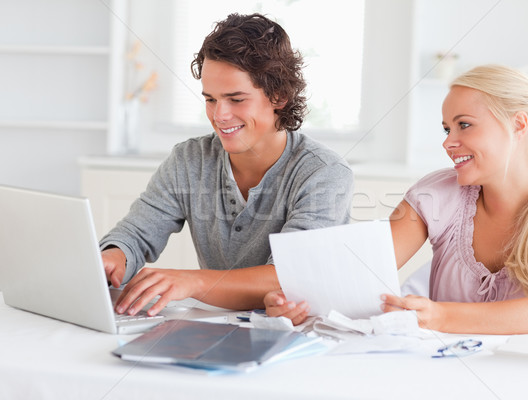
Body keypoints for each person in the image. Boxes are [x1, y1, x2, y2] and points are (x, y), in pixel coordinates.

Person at [266, 64, 528, 333]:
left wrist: (439, 316)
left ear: (518, 125)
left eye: (464, 125)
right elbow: (357, 273)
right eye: (446, 129)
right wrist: (298, 302)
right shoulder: (436, 194)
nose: (448, 142)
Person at [101, 13, 353, 317]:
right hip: (214, 327)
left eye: (235, 99)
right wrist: (113, 257)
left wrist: (191, 281)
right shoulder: (189, 159)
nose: (219, 115)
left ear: (279, 96)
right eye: (210, 99)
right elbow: (137, 235)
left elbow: (291, 276)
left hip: (296, 334)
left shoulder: (323, 172)